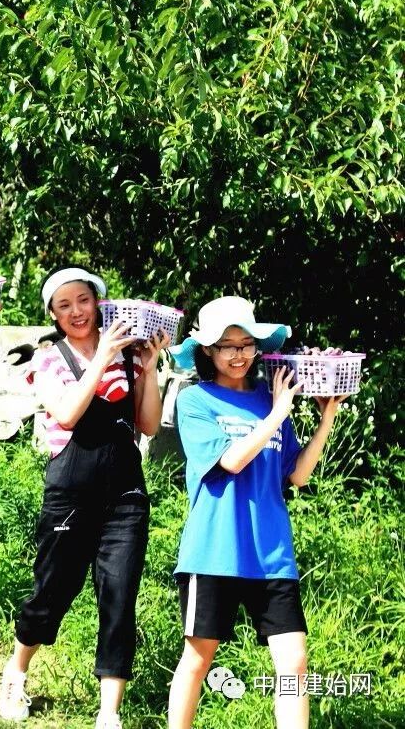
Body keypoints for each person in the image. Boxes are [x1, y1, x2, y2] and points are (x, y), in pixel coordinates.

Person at [0, 268, 170, 728]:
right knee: (52, 589)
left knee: (119, 597)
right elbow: (69, 412)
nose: (76, 312)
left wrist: (148, 370)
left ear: (99, 303)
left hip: (126, 494)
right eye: (64, 305)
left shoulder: (130, 359)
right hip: (70, 492)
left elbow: (148, 425)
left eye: (83, 301)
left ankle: (108, 713)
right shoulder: (49, 359)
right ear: (53, 314)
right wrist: (103, 358)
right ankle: (16, 672)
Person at [165, 296, 345, 729]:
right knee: (198, 657)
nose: (239, 353)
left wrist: (326, 420)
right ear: (208, 351)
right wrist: (278, 412)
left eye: (247, 343)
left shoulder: (271, 401)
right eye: (228, 345)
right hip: (214, 552)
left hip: (272, 552)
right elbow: (230, 461)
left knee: (295, 663)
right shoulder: (195, 402)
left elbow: (298, 475)